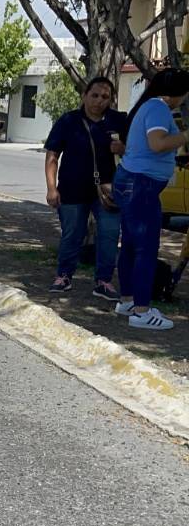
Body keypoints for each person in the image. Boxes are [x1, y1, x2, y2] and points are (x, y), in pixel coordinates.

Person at [113, 68, 189, 330]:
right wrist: (186, 136)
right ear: (177, 92)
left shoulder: (148, 105)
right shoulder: (158, 108)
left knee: (131, 245)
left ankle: (127, 301)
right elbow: (157, 143)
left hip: (132, 181)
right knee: (145, 248)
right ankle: (142, 312)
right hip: (141, 185)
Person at [43, 77, 128, 299]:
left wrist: (123, 148)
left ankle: (103, 281)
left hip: (108, 191)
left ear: (111, 100)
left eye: (105, 97)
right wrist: (51, 188)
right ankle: (64, 276)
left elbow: (137, 153)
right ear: (84, 96)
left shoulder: (119, 121)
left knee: (109, 234)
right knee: (72, 234)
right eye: (95, 95)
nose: (99, 101)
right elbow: (52, 155)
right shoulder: (68, 121)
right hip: (72, 188)